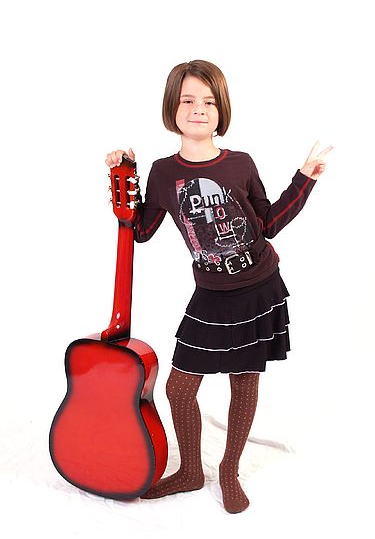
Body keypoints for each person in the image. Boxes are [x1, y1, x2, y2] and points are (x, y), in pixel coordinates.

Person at [105, 60, 333, 513]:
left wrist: (304, 178)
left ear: (221, 109)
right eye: (188, 100)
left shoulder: (240, 164)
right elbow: (141, 229)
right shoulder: (164, 173)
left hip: (258, 286)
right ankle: (191, 472)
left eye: (208, 101)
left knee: (243, 380)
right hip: (210, 293)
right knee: (179, 387)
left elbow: (268, 223)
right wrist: (122, 177)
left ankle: (228, 470)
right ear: (172, 109)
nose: (198, 109)